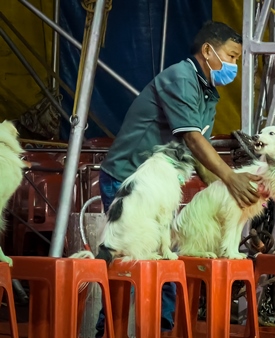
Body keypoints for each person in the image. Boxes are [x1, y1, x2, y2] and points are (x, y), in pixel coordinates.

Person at [94, 21, 263, 337]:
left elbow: (200, 153)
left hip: (161, 186)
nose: (234, 65)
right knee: (134, 261)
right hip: (128, 179)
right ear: (209, 51)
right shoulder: (180, 78)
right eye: (231, 55)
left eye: (238, 59)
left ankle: (162, 329)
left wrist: (225, 192)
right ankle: (108, 330)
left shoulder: (208, 93)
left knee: (167, 260)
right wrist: (230, 178)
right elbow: (192, 140)